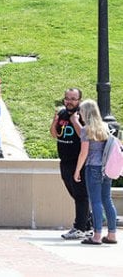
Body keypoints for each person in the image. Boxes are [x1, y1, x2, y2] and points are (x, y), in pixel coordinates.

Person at [74, 100, 118, 245]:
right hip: (106, 168)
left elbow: (83, 152)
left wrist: (77, 170)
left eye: (81, 111)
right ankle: (112, 235)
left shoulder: (87, 129)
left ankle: (97, 236)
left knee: (96, 201)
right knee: (107, 200)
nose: (80, 113)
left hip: (93, 167)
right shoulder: (105, 127)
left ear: (86, 112)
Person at [50, 88, 92, 240]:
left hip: (78, 161)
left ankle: (79, 227)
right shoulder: (61, 114)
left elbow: (85, 137)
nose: (69, 101)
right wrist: (55, 122)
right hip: (65, 160)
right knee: (75, 194)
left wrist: (74, 121)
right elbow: (55, 135)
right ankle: (88, 224)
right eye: (67, 98)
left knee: (81, 195)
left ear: (79, 100)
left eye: (73, 99)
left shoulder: (82, 115)